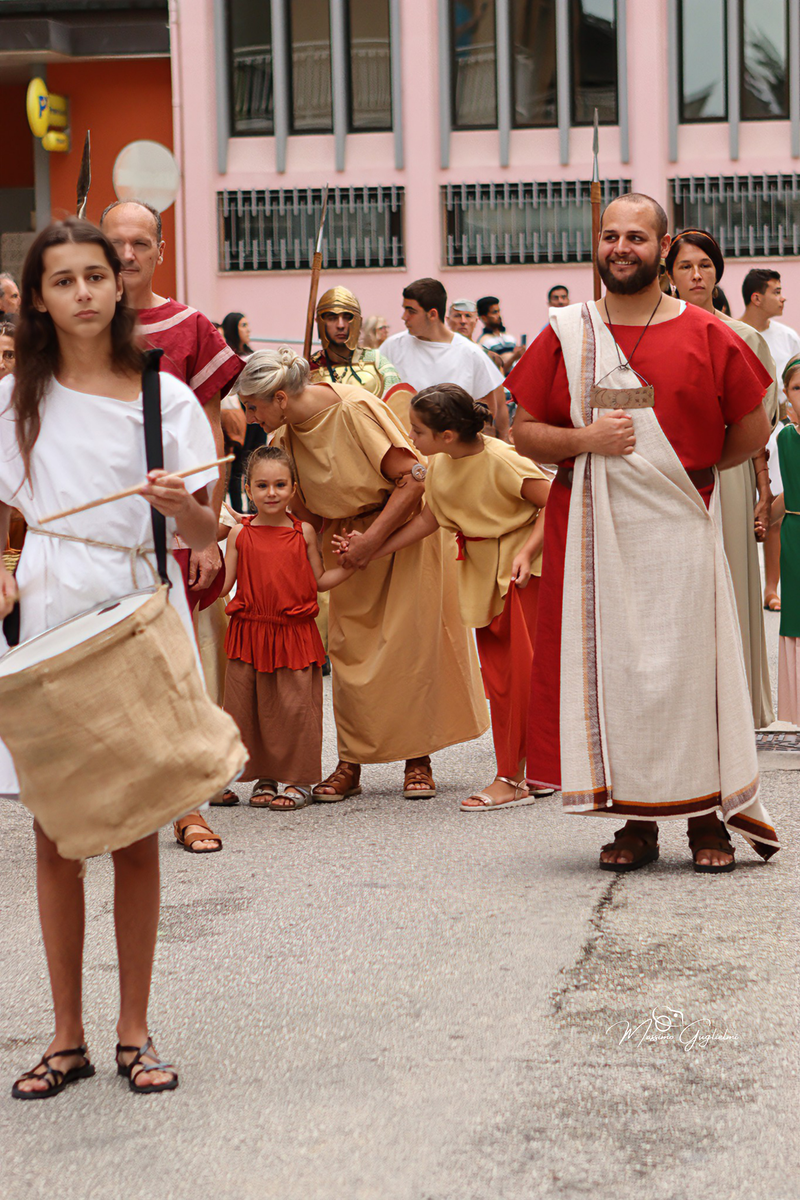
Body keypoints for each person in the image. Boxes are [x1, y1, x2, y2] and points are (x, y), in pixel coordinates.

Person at [0, 218, 220, 1097]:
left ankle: (134, 1030)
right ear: (40, 298)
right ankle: (66, 1036)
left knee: (134, 828)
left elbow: (209, 533)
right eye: (64, 280)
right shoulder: (18, 398)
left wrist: (184, 508)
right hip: (50, 609)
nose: (87, 291)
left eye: (99, 275)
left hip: (135, 603)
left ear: (121, 285)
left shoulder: (165, 396)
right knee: (58, 836)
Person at [508, 192, 779, 874]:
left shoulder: (706, 331)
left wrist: (676, 478)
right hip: (594, 529)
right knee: (619, 672)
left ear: (663, 249)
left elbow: (748, 428)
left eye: (635, 236)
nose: (620, 247)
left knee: (693, 671)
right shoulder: (568, 331)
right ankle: (635, 822)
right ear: (598, 245)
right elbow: (524, 429)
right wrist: (587, 439)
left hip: (680, 522)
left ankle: (706, 819)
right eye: (609, 235)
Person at [235, 348, 489, 801]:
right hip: (346, 542)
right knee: (349, 652)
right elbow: (304, 510)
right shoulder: (287, 434)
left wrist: (373, 540)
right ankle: (350, 763)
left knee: (411, 647)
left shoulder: (353, 408)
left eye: (253, 407)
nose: (250, 418)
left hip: (400, 530)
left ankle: (418, 761)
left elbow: (412, 478)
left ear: (279, 397)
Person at [101, 198, 244, 854]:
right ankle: (118, 803)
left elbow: (210, 429)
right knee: (102, 668)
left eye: (140, 243)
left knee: (178, 664)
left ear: (160, 250)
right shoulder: (76, 330)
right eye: (115, 243)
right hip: (96, 528)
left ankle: (189, 806)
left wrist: (208, 523)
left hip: (171, 523)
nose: (127, 255)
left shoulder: (188, 327)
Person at [337, 383, 552, 812]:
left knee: (512, 679)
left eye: (416, 431)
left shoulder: (501, 460)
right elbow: (431, 519)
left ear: (447, 435)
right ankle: (534, 771)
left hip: (517, 572)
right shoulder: (439, 463)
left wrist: (527, 553)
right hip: (481, 570)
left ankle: (511, 779)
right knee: (505, 678)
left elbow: (556, 502)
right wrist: (370, 551)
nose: (409, 439)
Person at [665, 228, 777, 727]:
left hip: (725, 470)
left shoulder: (745, 337)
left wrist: (759, 487)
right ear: (669, 273)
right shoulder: (653, 332)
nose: (695, 275)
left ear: (717, 273)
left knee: (730, 577)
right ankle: (684, 710)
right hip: (667, 473)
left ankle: (739, 709)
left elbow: (760, 420)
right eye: (685, 266)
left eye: (705, 266)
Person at [217, 445, 352, 811]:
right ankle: (265, 776)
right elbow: (223, 582)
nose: (271, 493)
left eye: (280, 484)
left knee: (295, 709)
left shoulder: (303, 532)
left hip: (294, 632)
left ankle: (298, 780)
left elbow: (320, 581)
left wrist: (355, 563)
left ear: (294, 488)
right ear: (247, 488)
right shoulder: (238, 535)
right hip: (249, 632)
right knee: (251, 708)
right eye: (262, 485)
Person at [382, 279, 508, 438]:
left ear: (432, 314)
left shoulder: (470, 353)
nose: (404, 317)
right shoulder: (392, 347)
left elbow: (489, 409)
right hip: (403, 450)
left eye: (411, 311)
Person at [308, 287, 402, 399]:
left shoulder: (377, 363)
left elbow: (396, 406)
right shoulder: (309, 367)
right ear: (320, 323)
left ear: (358, 322)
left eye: (347, 318)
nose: (341, 325)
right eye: (332, 318)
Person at [773, 357, 800, 720]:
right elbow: (785, 494)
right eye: (798, 387)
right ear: (786, 394)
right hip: (795, 535)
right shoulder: (783, 438)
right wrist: (761, 516)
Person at [220, 311, 265, 514]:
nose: (249, 330)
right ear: (233, 329)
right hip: (240, 414)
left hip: (257, 413)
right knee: (238, 465)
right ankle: (238, 511)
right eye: (243, 325)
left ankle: (254, 508)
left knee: (256, 458)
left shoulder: (251, 353)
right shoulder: (228, 355)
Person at [740, 268, 800, 385]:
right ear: (757, 298)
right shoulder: (730, 333)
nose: (783, 299)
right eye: (776, 292)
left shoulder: (788, 336)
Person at [476, 296, 517, 370]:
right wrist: (514, 357)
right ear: (484, 318)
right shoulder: (484, 343)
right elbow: (496, 372)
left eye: (498, 311)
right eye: (494, 312)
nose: (498, 315)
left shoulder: (509, 338)